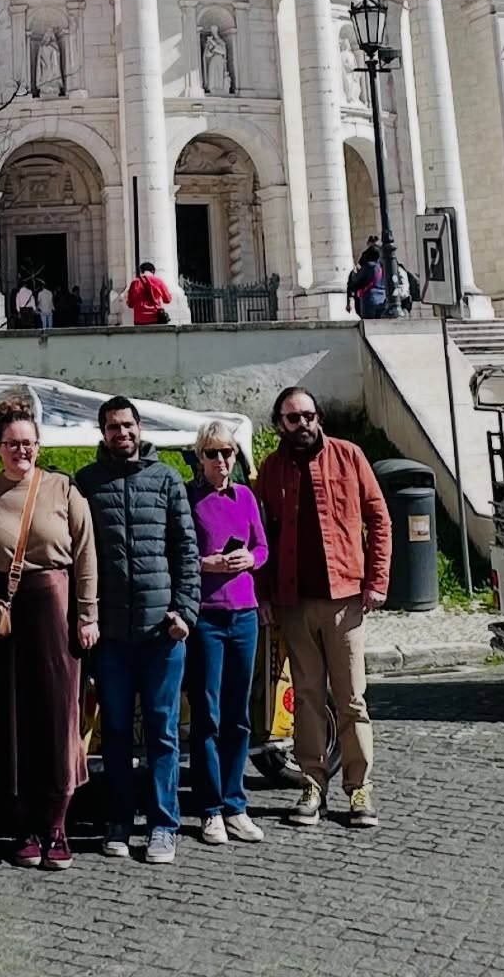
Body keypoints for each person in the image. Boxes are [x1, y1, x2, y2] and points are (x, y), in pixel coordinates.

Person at [0, 394, 98, 870]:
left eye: (28, 443)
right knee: (12, 713)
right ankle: (22, 822)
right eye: (11, 444)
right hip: (2, 610)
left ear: (39, 446)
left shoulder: (63, 489)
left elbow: (86, 553)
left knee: (58, 713)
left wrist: (88, 614)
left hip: (53, 604)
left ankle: (57, 823)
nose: (20, 451)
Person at [256, 386, 391, 831]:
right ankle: (312, 784)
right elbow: (261, 542)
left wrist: (377, 581)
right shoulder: (271, 471)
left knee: (351, 699)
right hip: (295, 604)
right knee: (307, 700)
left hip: (345, 600)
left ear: (319, 417)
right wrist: (266, 596)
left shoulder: (349, 456)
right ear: (279, 424)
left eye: (309, 415)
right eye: (293, 418)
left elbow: (380, 519)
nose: (303, 425)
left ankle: (359, 789)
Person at [74, 395, 199, 865]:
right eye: (112, 427)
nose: (121, 434)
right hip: (112, 637)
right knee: (118, 732)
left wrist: (184, 611)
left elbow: (186, 551)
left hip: (161, 633)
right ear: (102, 433)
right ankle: (120, 821)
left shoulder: (165, 479)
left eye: (127, 426)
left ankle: (164, 825)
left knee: (164, 733)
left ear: (139, 429)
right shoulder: (87, 483)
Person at [186, 419, 268, 846]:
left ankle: (237, 803)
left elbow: (262, 546)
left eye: (228, 453)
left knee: (239, 717)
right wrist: (206, 563)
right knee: (208, 715)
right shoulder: (189, 499)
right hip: (206, 618)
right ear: (200, 458)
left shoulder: (245, 496)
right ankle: (210, 807)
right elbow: (178, 554)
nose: (221, 461)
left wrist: (249, 561)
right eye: (213, 453)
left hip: (244, 615)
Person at [125, 261, 173, 327]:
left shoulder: (135, 283)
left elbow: (130, 304)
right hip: (156, 318)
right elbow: (167, 300)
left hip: (139, 319)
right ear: (153, 271)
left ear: (141, 271)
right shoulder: (159, 281)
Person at [346, 243, 387, 319]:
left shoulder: (369, 266)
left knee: (369, 325)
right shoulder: (384, 267)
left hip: (370, 300)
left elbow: (355, 280)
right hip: (383, 300)